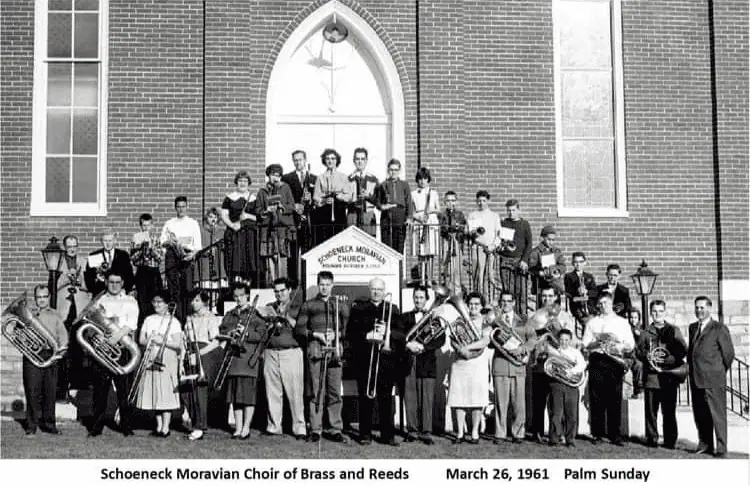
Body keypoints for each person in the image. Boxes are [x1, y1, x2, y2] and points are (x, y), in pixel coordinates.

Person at [348, 277, 406, 446]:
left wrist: (387, 331)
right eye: (373, 289)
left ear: (384, 290)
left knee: (386, 398)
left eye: (380, 289)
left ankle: (387, 435)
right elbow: (351, 333)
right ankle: (365, 434)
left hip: (386, 360)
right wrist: (366, 335)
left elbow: (401, 334)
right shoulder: (359, 308)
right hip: (365, 359)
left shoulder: (392, 309)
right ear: (369, 289)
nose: (376, 292)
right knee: (365, 397)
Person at [294, 271, 349, 443]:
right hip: (316, 351)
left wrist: (337, 334)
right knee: (317, 391)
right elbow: (299, 329)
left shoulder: (340, 306)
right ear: (318, 285)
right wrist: (317, 334)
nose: (324, 287)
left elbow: (348, 330)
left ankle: (335, 428)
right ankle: (316, 428)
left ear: (332, 285)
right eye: (322, 284)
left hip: (334, 352)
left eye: (327, 284)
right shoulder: (309, 305)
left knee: (334, 391)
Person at [87, 272, 140, 437]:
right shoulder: (100, 301)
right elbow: (92, 323)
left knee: (125, 389)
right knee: (100, 390)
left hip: (122, 348)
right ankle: (96, 428)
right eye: (111, 282)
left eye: (118, 282)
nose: (114, 285)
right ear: (106, 283)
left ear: (123, 282)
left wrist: (116, 337)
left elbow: (131, 324)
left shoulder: (130, 301)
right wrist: (101, 336)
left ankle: (127, 427)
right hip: (103, 349)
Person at [582, 292, 635, 445]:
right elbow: (585, 344)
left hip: (615, 362)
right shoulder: (592, 323)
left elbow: (630, 344)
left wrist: (617, 346)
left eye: (605, 302)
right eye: (600, 303)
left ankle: (615, 434)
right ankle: (597, 433)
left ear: (611, 303)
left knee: (614, 398)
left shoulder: (622, 322)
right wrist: (598, 343)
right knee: (596, 398)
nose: (602, 306)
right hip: (597, 360)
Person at [526, 286, 577, 442]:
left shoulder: (565, 316)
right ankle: (537, 432)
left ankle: (558, 433)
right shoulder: (535, 316)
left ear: (555, 297)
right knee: (539, 399)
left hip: (558, 363)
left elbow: (571, 340)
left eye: (550, 296)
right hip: (541, 361)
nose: (547, 299)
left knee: (556, 401)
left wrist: (558, 327)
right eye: (544, 296)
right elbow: (530, 336)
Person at [635, 300, 687, 449]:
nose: (657, 314)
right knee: (651, 412)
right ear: (651, 313)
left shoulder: (674, 330)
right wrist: (647, 356)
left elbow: (683, 350)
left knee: (669, 411)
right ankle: (652, 439)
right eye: (655, 311)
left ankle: (670, 441)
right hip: (652, 377)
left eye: (660, 311)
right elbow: (638, 352)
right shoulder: (645, 332)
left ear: (665, 312)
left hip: (669, 377)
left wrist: (670, 359)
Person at [218, 282, 267, 439]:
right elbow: (222, 331)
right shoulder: (230, 314)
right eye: (236, 296)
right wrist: (231, 333)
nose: (238, 299)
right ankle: (238, 428)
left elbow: (262, 335)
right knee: (235, 397)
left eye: (241, 296)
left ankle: (246, 428)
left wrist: (246, 335)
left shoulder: (256, 315)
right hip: (233, 359)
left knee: (247, 396)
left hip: (248, 360)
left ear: (247, 296)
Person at [688, 296, 735, 457]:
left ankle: (721, 448)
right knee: (701, 414)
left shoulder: (719, 328)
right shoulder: (693, 327)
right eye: (697, 307)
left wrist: (718, 371)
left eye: (702, 307)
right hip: (696, 378)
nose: (699, 311)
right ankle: (705, 444)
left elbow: (728, 354)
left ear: (709, 308)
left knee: (717, 415)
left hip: (714, 379)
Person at [133, 292, 183, 437]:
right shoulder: (149, 319)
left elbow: (178, 344)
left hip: (167, 358)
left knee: (165, 392)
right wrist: (151, 339)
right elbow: (141, 340)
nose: (156, 305)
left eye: (160, 302)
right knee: (155, 390)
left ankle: (166, 427)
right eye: (154, 302)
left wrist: (161, 340)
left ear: (167, 304)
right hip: (151, 356)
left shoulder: (174, 321)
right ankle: (159, 426)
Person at [262, 278, 306, 439]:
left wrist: (286, 316)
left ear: (289, 291)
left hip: (291, 352)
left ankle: (299, 427)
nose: (279, 294)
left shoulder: (299, 307)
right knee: (272, 391)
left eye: (282, 291)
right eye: (276, 291)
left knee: (295, 392)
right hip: (271, 351)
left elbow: (301, 330)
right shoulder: (270, 307)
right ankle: (274, 426)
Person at [446, 292, 492, 444]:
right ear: (466, 305)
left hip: (477, 364)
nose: (473, 307)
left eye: (477, 304)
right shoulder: (459, 320)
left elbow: (485, 341)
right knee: (459, 399)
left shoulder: (485, 321)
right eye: (471, 304)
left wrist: (466, 347)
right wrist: (460, 350)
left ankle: (474, 433)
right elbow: (452, 338)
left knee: (476, 400)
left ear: (481, 306)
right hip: (460, 363)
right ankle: (460, 432)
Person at [22, 285, 68, 437]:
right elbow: (20, 335)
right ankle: (31, 426)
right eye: (38, 297)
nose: (41, 300)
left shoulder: (55, 315)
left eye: (44, 297)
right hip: (32, 354)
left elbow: (63, 336)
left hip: (51, 354)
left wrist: (61, 351)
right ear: (35, 299)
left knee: (50, 391)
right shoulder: (27, 314)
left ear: (48, 297)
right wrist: (28, 341)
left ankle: (49, 425)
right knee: (32, 391)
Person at [402, 285, 445, 444]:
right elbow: (401, 337)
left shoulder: (434, 318)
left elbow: (441, 339)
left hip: (426, 361)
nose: (418, 300)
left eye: (421, 297)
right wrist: (409, 345)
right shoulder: (405, 317)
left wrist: (424, 346)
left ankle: (426, 432)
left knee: (426, 397)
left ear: (427, 300)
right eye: (416, 297)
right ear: (413, 298)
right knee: (410, 396)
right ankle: (412, 431)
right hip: (409, 361)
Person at [490, 291, 534, 444]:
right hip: (501, 364)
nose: (505, 304)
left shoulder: (523, 319)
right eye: (503, 301)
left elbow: (533, 338)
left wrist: (522, 349)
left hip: (518, 365)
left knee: (519, 404)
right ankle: (500, 433)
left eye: (509, 301)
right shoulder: (494, 321)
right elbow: (489, 342)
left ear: (514, 302)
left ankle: (518, 433)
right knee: (500, 403)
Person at [181, 290, 222, 441]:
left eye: (197, 300)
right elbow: (184, 340)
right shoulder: (189, 318)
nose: (194, 303)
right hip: (190, 353)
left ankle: (200, 426)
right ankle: (193, 421)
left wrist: (199, 354)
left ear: (204, 302)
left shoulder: (210, 317)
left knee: (200, 391)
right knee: (186, 390)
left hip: (204, 354)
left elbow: (215, 342)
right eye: (192, 300)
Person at [57, 235, 91, 394]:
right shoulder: (56, 261)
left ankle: (78, 382)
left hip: (79, 307)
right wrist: (66, 277)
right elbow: (52, 285)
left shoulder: (84, 261)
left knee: (79, 346)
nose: (72, 248)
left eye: (75, 245)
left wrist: (80, 280)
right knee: (63, 346)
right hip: (64, 307)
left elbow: (90, 284)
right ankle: (61, 385)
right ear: (64, 247)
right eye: (69, 246)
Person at [161, 196, 202, 322]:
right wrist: (170, 242)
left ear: (187, 207)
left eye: (183, 206)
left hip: (187, 256)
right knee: (174, 290)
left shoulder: (193, 223)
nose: (181, 209)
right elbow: (162, 243)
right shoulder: (169, 223)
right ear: (175, 208)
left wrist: (192, 255)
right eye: (178, 207)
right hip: (173, 256)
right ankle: (176, 318)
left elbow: (198, 246)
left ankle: (187, 318)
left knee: (187, 288)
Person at [257, 164, 296, 285]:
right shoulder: (262, 191)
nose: (276, 178)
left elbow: (292, 206)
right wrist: (266, 211)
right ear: (268, 175)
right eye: (273, 175)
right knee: (270, 257)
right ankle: (271, 284)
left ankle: (283, 284)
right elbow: (258, 209)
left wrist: (282, 207)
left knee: (282, 257)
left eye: (278, 175)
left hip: (282, 228)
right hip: (268, 229)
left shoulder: (285, 188)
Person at [547, 329, 586, 447]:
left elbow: (582, 364)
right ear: (558, 340)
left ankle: (570, 439)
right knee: (556, 413)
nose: (564, 342)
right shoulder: (553, 352)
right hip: (557, 384)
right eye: (561, 340)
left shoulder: (575, 352)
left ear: (570, 341)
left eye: (566, 340)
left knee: (571, 414)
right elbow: (549, 366)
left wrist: (571, 371)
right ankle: (554, 438)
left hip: (571, 385)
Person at [221, 171, 260, 287]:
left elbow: (259, 217)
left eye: (245, 181)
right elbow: (224, 215)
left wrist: (248, 216)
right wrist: (232, 225)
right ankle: (235, 286)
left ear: (249, 183)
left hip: (250, 235)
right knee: (234, 261)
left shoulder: (254, 198)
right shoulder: (229, 198)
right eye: (240, 181)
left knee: (249, 262)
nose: (242, 183)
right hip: (234, 234)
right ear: (236, 182)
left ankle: (248, 286)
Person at [281, 150, 317, 274]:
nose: (298, 162)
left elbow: (317, 199)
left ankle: (306, 281)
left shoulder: (313, 178)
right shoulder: (286, 178)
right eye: (295, 160)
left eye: (300, 160)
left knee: (308, 253)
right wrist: (294, 205)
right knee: (292, 254)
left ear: (305, 160)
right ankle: (292, 283)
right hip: (293, 221)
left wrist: (311, 199)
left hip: (308, 221)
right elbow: (283, 199)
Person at [497, 199, 533, 312]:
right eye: (509, 210)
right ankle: (509, 316)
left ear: (518, 210)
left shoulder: (524, 224)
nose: (511, 213)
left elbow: (529, 243)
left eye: (513, 210)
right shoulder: (503, 223)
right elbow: (499, 241)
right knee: (508, 291)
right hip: (506, 260)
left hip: (519, 261)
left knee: (521, 290)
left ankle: (522, 316)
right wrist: (500, 247)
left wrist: (525, 260)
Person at [312, 148, 354, 245]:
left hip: (339, 211)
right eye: (327, 159)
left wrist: (340, 196)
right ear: (324, 161)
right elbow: (315, 197)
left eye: (333, 158)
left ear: (337, 160)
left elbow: (349, 196)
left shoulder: (343, 177)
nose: (330, 161)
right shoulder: (320, 178)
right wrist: (324, 200)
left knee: (339, 240)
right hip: (324, 213)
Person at [465, 191, 502, 297]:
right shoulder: (473, 215)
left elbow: (498, 234)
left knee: (489, 276)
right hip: (477, 248)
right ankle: (478, 299)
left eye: (484, 201)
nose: (481, 203)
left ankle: (488, 300)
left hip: (490, 249)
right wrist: (472, 232)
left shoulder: (494, 216)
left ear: (488, 201)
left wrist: (493, 246)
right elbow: (468, 231)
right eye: (479, 201)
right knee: (477, 275)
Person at [130, 213, 164, 324]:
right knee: (142, 302)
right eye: (144, 226)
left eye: (148, 225)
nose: (146, 228)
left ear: (152, 226)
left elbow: (159, 259)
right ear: (140, 226)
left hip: (153, 272)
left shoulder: (156, 239)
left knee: (154, 299)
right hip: (142, 272)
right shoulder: (136, 238)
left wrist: (151, 248)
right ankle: (143, 326)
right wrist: (140, 248)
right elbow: (133, 260)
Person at [410, 168, 440, 284]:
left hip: (431, 221)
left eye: (425, 179)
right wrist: (418, 216)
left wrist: (430, 210)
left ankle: (430, 279)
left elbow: (438, 209)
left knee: (430, 251)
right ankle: (422, 279)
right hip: (419, 222)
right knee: (421, 252)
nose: (422, 181)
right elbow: (411, 211)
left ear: (428, 180)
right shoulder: (413, 194)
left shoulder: (433, 193)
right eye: (420, 179)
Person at [375, 158, 412, 254]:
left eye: (396, 170)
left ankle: (398, 268)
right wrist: (382, 206)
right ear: (388, 170)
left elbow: (408, 202)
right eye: (391, 169)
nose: (393, 172)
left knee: (399, 247)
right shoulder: (382, 185)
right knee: (387, 247)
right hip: (387, 217)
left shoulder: (404, 185)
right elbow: (378, 202)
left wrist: (409, 217)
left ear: (399, 170)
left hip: (400, 216)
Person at [84, 229, 134, 297]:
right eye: (105, 241)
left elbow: (129, 275)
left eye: (110, 240)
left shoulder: (123, 255)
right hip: (100, 293)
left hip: (119, 293)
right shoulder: (93, 255)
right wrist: (92, 289)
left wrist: (126, 289)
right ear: (101, 241)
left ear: (115, 241)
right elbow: (88, 277)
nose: (108, 243)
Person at [192, 208, 226, 307]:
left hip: (217, 262)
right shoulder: (201, 232)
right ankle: (206, 306)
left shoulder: (221, 231)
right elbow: (197, 246)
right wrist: (205, 251)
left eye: (215, 217)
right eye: (210, 217)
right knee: (205, 288)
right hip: (205, 263)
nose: (213, 219)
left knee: (216, 289)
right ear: (206, 218)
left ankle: (215, 306)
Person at [438, 191, 467, 296]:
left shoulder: (460, 214)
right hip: (447, 243)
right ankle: (448, 294)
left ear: (456, 201)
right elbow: (442, 228)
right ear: (445, 202)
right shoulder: (442, 215)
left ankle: (457, 295)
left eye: (453, 200)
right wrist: (448, 229)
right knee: (447, 271)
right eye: (448, 201)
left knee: (457, 271)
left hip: (457, 243)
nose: (450, 203)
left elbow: (464, 229)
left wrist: (459, 229)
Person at [346, 147, 379, 237]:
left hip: (368, 217)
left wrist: (369, 196)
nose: (360, 161)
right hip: (353, 216)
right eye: (357, 159)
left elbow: (379, 201)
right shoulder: (348, 179)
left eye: (362, 159)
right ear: (354, 161)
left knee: (369, 245)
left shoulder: (373, 179)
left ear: (366, 161)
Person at [528, 225, 565, 303]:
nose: (551, 242)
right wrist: (539, 272)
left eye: (553, 240)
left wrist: (558, 271)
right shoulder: (536, 252)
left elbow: (563, 266)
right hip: (541, 285)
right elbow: (531, 268)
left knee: (555, 307)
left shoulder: (556, 251)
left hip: (555, 284)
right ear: (543, 238)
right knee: (542, 309)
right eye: (549, 239)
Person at [563, 251, 597, 336]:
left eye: (581, 262)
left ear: (585, 263)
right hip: (577, 306)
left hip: (590, 306)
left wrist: (587, 292)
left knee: (595, 321)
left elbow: (595, 292)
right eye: (575, 262)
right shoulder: (569, 276)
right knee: (587, 322)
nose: (578, 264)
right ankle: (585, 341)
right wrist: (577, 291)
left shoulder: (589, 276)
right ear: (572, 263)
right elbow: (568, 292)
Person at [628, 309, 645, 398]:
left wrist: (640, 335)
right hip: (628, 355)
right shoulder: (626, 328)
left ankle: (638, 389)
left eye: (635, 317)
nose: (633, 320)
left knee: (639, 365)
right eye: (631, 317)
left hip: (637, 355)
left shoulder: (641, 329)